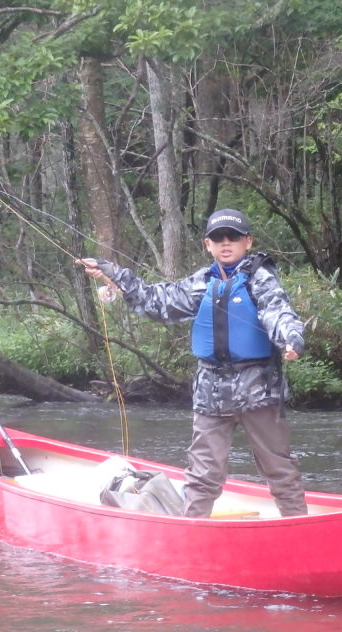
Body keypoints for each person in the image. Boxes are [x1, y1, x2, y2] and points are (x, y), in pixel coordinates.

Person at [82, 208, 308, 518]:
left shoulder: (261, 278)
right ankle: (191, 532)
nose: (225, 243)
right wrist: (115, 275)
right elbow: (155, 301)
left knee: (279, 469)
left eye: (233, 237)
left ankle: (297, 526)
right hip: (211, 391)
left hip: (259, 389)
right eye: (218, 238)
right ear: (208, 245)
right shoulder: (201, 282)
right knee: (203, 474)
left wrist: (290, 339)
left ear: (248, 242)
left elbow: (278, 312)